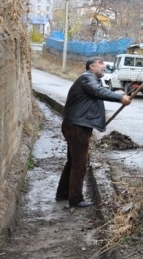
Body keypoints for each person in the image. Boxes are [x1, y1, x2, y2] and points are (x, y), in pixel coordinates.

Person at [56, 57, 131, 208]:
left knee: (73, 161)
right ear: (91, 67)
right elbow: (98, 92)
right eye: (101, 63)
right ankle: (75, 199)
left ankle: (63, 193)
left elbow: (98, 93)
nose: (104, 66)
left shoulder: (90, 80)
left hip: (76, 125)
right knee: (80, 164)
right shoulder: (87, 79)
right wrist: (120, 97)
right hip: (77, 127)